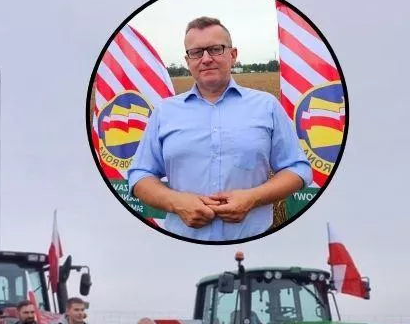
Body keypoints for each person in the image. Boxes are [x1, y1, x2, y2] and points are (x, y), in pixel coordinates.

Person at [127, 16, 314, 242]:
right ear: (188, 60)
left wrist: (253, 198)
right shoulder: (164, 112)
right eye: (196, 52)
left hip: (255, 243)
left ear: (233, 55)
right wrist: (176, 202)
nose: (206, 59)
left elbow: (297, 169)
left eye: (215, 49)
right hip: (180, 243)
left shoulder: (267, 106)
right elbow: (140, 175)